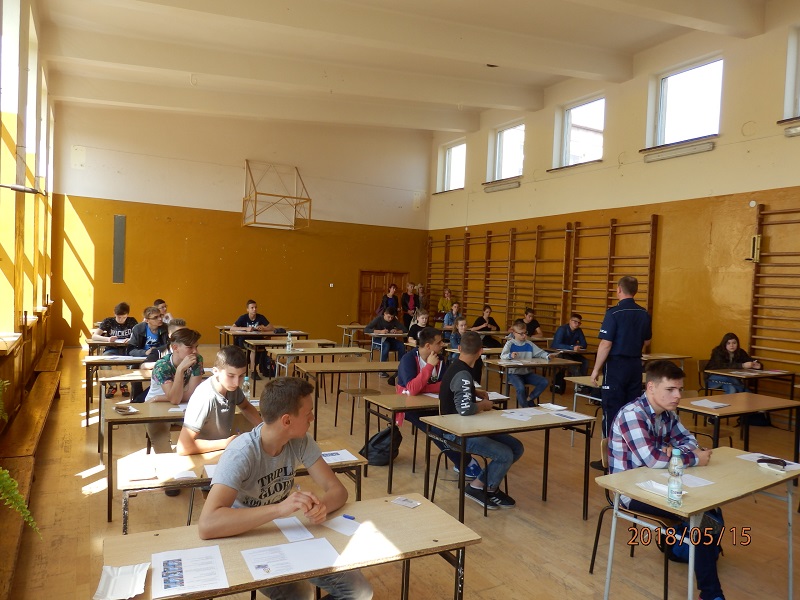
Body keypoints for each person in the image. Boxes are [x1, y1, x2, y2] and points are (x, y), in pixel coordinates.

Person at [198, 377, 373, 600]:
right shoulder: (241, 453)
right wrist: (279, 509)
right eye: (308, 413)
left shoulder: (300, 441)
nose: (312, 417)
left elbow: (337, 490)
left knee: (360, 591)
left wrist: (321, 506)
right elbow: (208, 525)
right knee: (301, 594)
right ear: (287, 420)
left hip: (287, 532)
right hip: (247, 536)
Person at [609, 360, 724, 600]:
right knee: (701, 518)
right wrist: (694, 458)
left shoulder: (667, 414)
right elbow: (653, 459)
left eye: (679, 389)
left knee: (710, 504)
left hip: (662, 479)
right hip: (631, 491)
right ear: (651, 387)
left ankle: (682, 546)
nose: (678, 395)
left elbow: (689, 440)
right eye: (670, 389)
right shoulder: (633, 414)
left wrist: (674, 453)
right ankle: (710, 594)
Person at [439, 331, 523, 510]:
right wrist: (483, 405)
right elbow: (464, 409)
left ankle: (486, 486)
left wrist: (474, 392)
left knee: (516, 447)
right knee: (505, 454)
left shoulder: (458, 366)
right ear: (481, 351)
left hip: (470, 425)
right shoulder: (463, 373)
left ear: (459, 348)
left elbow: (457, 392)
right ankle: (479, 487)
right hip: (456, 433)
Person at [395, 327, 481, 480]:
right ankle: (463, 461)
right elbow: (412, 389)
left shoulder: (440, 360)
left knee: (454, 420)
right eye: (439, 342)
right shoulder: (408, 359)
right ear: (428, 346)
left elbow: (446, 384)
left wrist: (423, 387)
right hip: (408, 407)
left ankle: (464, 454)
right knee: (436, 429)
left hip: (435, 403)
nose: (443, 344)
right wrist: (428, 367)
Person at [590, 276, 652, 453]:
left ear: (618, 289)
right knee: (632, 410)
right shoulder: (644, 313)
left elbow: (606, 343)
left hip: (616, 366)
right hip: (635, 365)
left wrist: (596, 369)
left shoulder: (614, 313)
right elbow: (647, 340)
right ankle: (630, 453)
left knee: (612, 410)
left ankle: (610, 457)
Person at [177, 345, 262, 455]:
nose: (237, 383)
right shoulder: (204, 397)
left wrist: (263, 429)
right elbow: (183, 447)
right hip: (202, 454)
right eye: (231, 376)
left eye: (241, 376)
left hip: (221, 450)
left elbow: (245, 406)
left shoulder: (231, 387)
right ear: (215, 371)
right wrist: (226, 443)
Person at [143, 328, 205, 459]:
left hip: (180, 405)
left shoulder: (197, 360)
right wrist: (180, 370)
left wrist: (160, 398)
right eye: (190, 347)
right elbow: (175, 399)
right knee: (163, 448)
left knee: (205, 430)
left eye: (196, 347)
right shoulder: (162, 365)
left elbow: (192, 394)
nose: (195, 351)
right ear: (175, 347)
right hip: (155, 409)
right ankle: (172, 469)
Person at [500, 320, 550, 407]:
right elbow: (502, 356)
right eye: (521, 334)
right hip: (513, 373)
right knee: (521, 388)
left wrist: (548, 355)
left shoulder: (529, 344)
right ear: (514, 333)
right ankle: (525, 407)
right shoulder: (510, 344)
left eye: (525, 333)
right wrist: (510, 355)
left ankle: (529, 399)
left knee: (544, 382)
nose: (524, 335)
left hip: (527, 373)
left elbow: (540, 353)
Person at [92, 301, 138, 397]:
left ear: (127, 315)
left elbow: (138, 336)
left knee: (134, 364)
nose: (121, 320)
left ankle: (124, 384)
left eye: (124, 317)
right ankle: (112, 385)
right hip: (111, 349)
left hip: (127, 350)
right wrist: (108, 339)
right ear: (115, 314)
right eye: (119, 317)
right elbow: (94, 336)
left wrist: (131, 339)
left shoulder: (132, 321)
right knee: (104, 362)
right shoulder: (108, 321)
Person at [127, 306, 170, 400]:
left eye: (160, 316)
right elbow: (131, 350)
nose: (160, 319)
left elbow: (168, 345)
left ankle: (146, 396)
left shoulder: (165, 328)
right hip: (142, 358)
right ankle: (137, 399)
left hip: (159, 357)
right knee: (134, 370)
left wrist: (156, 351)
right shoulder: (138, 329)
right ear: (147, 320)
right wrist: (145, 352)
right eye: (155, 317)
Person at [232, 299, 274, 379]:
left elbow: (271, 327)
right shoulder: (243, 318)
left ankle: (262, 367)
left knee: (260, 347)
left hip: (257, 339)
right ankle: (253, 371)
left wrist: (263, 328)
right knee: (253, 348)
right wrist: (246, 328)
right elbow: (232, 328)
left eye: (255, 307)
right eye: (252, 308)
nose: (254, 309)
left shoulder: (260, 317)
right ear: (247, 309)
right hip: (245, 340)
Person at [364, 306, 406, 378]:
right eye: (388, 317)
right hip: (377, 340)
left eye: (392, 317)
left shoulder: (394, 320)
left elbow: (405, 329)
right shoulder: (378, 319)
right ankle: (382, 370)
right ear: (385, 314)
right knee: (386, 345)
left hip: (389, 340)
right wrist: (379, 331)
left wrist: (396, 331)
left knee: (401, 345)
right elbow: (366, 329)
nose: (390, 319)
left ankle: (401, 368)